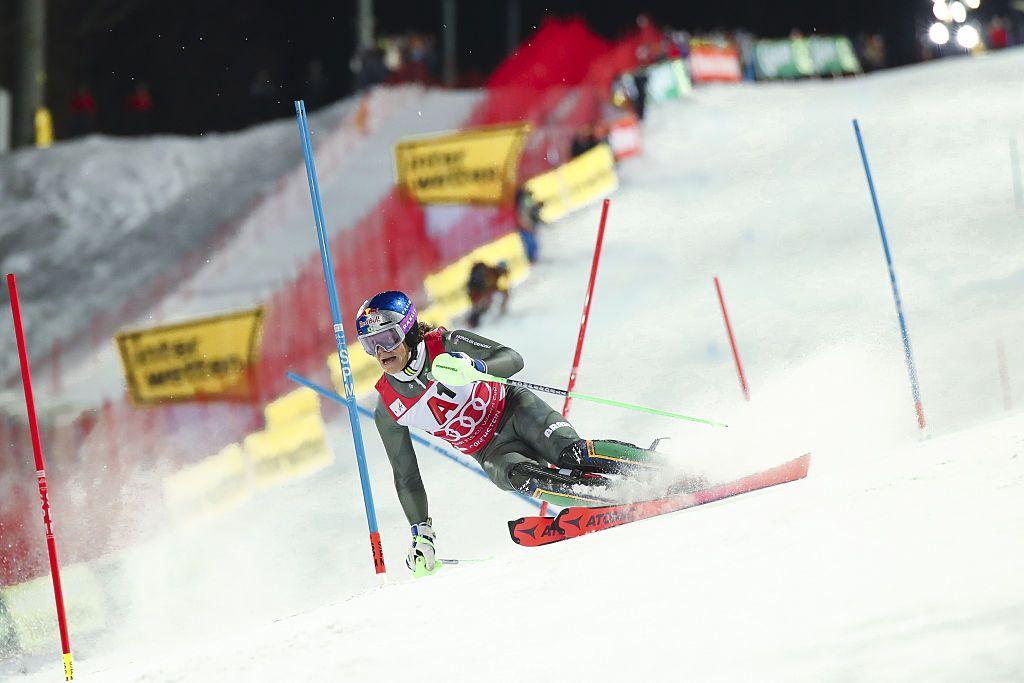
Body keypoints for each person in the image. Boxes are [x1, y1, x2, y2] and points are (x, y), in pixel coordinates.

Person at [356, 291, 662, 575]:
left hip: (516, 411)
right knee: (522, 476)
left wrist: (476, 367)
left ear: (409, 330)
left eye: (387, 338)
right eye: (370, 345)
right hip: (491, 451)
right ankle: (614, 497)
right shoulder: (388, 406)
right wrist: (421, 535)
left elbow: (513, 358)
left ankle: (659, 467)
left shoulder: (446, 344)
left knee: (569, 453)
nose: (381, 351)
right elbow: (406, 476)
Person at [466, 261, 509, 328]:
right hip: (476, 291)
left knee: (481, 306)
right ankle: (472, 323)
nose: (503, 274)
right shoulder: (490, 273)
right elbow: (489, 287)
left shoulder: (492, 273)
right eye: (503, 271)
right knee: (479, 306)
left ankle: (473, 322)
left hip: (476, 291)